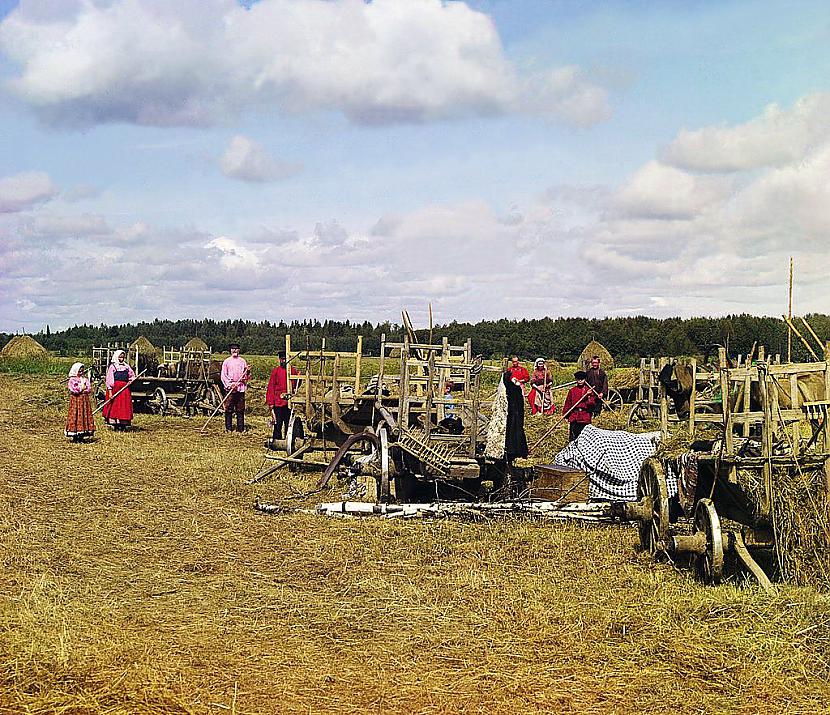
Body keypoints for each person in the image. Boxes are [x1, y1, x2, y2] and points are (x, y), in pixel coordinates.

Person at [266, 351, 298, 443]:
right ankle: (277, 441)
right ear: (279, 360)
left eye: (285, 359)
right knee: (278, 423)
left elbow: (296, 384)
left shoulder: (292, 371)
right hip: (278, 401)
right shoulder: (276, 371)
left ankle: (288, 440)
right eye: (282, 359)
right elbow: (271, 387)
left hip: (288, 402)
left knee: (289, 423)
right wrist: (270, 402)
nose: (283, 361)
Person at [102, 349, 135, 430]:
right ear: (116, 357)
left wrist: (131, 381)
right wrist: (110, 392)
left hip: (124, 389)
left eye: (123, 357)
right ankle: (115, 423)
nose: (121, 359)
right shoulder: (113, 367)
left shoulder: (126, 366)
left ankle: (123, 423)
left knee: (124, 405)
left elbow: (132, 375)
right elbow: (109, 380)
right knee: (115, 406)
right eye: (120, 357)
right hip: (115, 389)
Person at [221, 342, 250, 433]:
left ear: (239, 350)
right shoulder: (227, 361)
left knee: (240, 409)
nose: (234, 350)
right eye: (233, 349)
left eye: (236, 349)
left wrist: (247, 372)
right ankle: (228, 428)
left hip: (240, 387)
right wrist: (230, 385)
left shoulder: (242, 361)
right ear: (230, 350)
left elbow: (246, 376)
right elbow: (224, 375)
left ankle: (240, 428)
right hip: (230, 388)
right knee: (229, 408)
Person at [65, 362, 95, 442]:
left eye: (82, 371)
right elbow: (72, 389)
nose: (81, 373)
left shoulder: (84, 379)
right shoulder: (72, 380)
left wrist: (85, 389)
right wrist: (81, 389)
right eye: (79, 371)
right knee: (75, 414)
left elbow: (88, 388)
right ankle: (75, 434)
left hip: (84, 400)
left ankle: (82, 434)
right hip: (76, 400)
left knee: (84, 414)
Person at [563, 370, 596, 442]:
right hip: (574, 416)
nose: (580, 381)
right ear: (576, 380)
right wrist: (566, 414)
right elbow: (568, 403)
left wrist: (589, 396)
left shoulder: (589, 391)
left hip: (584, 416)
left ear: (585, 380)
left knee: (584, 438)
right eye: (578, 379)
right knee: (573, 437)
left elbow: (592, 404)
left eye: (582, 379)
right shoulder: (572, 390)